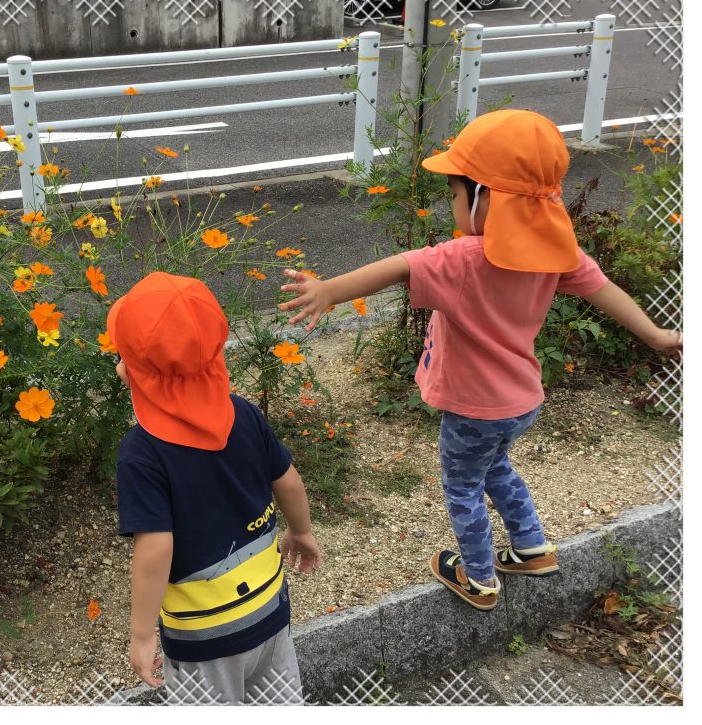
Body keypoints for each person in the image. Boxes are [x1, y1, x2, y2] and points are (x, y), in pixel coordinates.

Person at [279, 109, 682, 611]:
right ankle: (531, 547)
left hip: (474, 408)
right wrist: (656, 334)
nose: (451, 205)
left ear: (486, 197)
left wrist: (329, 291)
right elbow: (605, 291)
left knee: (463, 485)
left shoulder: (463, 258)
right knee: (496, 468)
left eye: (454, 194)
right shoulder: (556, 250)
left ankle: (478, 576)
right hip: (521, 400)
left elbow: (398, 268)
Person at [109, 271, 323, 703]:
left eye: (123, 356)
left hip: (203, 634)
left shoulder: (142, 452)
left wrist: (141, 633)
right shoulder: (243, 414)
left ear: (135, 375)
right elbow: (288, 480)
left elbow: (156, 547)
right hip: (269, 610)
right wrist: (301, 532)